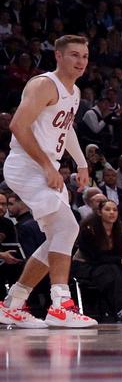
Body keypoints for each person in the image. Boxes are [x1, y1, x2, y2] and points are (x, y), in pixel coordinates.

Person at [0, 35, 97, 328]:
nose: (81, 62)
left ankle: (12, 304)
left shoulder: (75, 92)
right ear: (58, 55)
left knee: (59, 236)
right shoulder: (44, 84)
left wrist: (81, 162)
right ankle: (60, 305)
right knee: (67, 227)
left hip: (46, 169)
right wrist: (45, 164)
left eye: (84, 56)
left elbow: (66, 130)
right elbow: (18, 124)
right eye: (74, 55)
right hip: (26, 166)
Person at [75, 200, 122, 322]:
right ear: (99, 212)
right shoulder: (89, 230)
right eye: (107, 210)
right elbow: (94, 257)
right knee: (113, 270)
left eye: (114, 210)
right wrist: (120, 260)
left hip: (110, 263)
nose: (112, 213)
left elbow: (120, 254)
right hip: (86, 264)